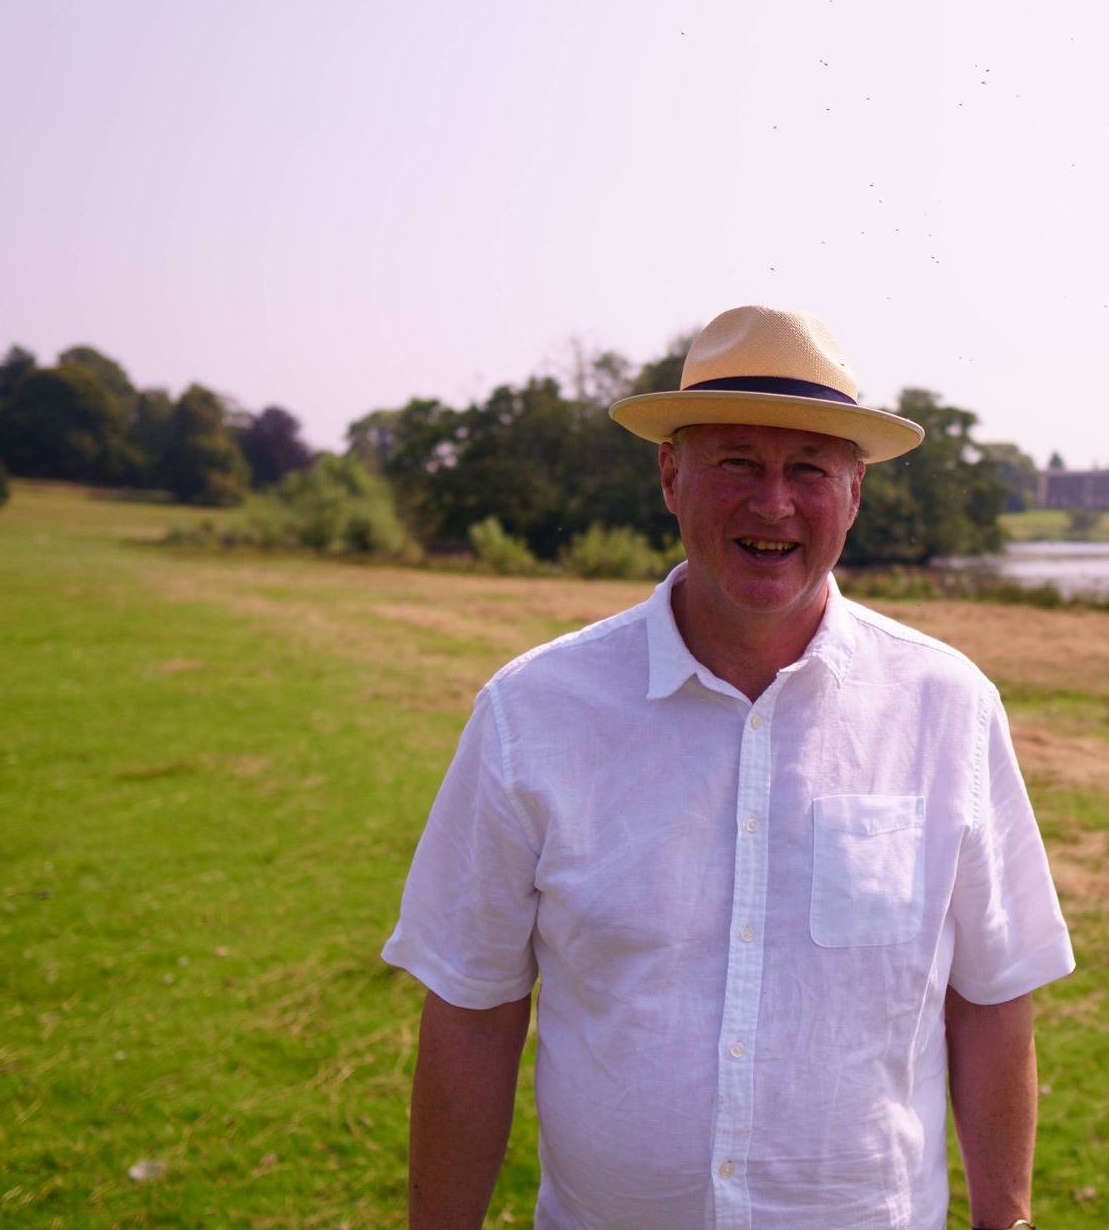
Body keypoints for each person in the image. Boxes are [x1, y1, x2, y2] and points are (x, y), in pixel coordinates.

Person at [381, 305, 1074, 1230]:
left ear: (855, 491)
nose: (773, 502)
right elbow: (472, 1009)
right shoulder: (532, 712)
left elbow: (992, 996)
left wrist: (1008, 1220)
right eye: (738, 461)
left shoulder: (946, 706)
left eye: (809, 469)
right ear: (672, 473)